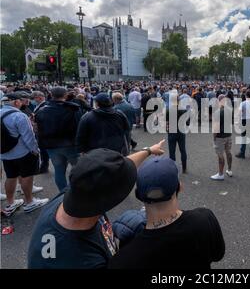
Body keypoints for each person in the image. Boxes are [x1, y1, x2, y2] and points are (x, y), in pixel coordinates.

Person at [28, 140, 165, 269]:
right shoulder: (84, 260)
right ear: (112, 199)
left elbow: (114, 170)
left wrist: (148, 150)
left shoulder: (78, 192)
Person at [108, 156, 225, 269]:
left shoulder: (123, 260)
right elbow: (218, 254)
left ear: (138, 195)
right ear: (179, 187)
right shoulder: (204, 220)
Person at [1, 93, 49, 216]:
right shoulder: (19, 116)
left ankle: (11, 202)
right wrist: (35, 150)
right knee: (27, 176)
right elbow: (29, 136)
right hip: (23, 152)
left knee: (10, 177)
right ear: (16, 102)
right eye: (21, 101)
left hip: (5, 153)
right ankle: (29, 201)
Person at [35, 87, 82, 191]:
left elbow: (38, 129)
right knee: (78, 169)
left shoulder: (41, 110)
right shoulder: (73, 109)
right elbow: (79, 127)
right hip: (70, 145)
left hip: (52, 145)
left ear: (51, 95)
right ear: (65, 95)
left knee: (59, 170)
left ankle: (63, 194)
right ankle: (76, 191)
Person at [210, 95, 233, 181]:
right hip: (228, 135)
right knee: (228, 153)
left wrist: (214, 138)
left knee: (220, 155)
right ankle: (229, 170)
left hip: (220, 136)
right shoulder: (230, 110)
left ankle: (220, 174)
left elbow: (216, 128)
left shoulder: (218, 112)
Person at [236, 90, 250, 159]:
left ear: (245, 95)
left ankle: (242, 153)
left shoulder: (243, 103)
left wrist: (238, 121)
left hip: (244, 120)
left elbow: (239, 113)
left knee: (243, 137)